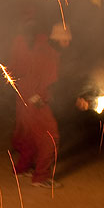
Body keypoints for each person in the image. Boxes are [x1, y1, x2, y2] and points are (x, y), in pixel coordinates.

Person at [9, 22, 71, 188]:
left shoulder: (39, 46)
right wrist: (38, 97)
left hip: (24, 95)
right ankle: (41, 177)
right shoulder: (47, 53)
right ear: (57, 39)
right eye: (66, 38)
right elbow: (39, 77)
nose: (68, 42)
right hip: (34, 99)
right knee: (51, 136)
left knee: (30, 134)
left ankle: (22, 168)